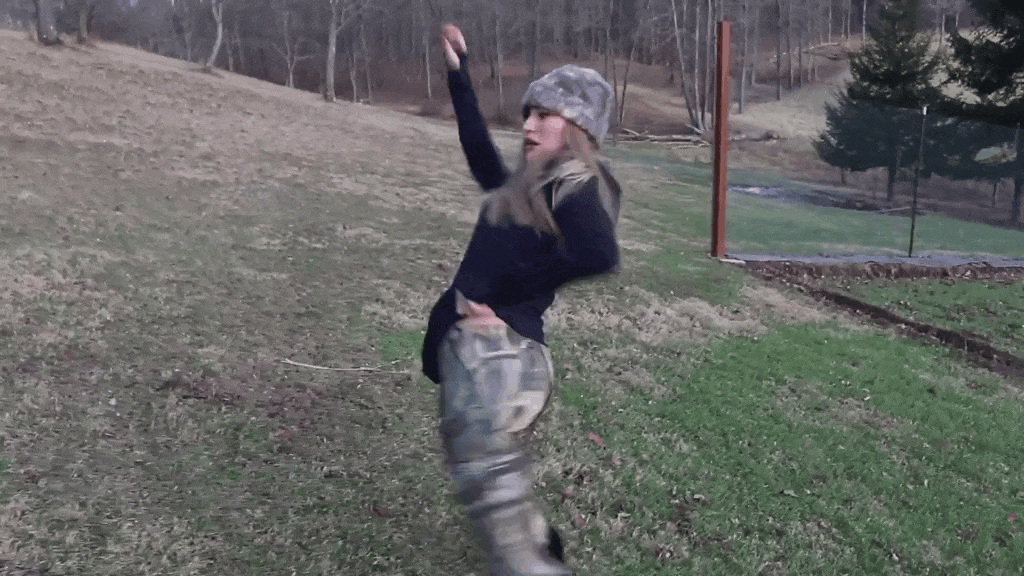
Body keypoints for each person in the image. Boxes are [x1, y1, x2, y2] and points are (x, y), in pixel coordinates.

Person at [421, 24, 622, 576]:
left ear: (577, 127)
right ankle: (539, 541)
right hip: (490, 353)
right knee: (487, 473)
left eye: (544, 115)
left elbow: (599, 253)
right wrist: (459, 75)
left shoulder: (573, 184)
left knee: (487, 482)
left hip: (502, 357)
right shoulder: (526, 185)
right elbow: (478, 151)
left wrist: (504, 295)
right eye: (529, 113)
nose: (529, 124)